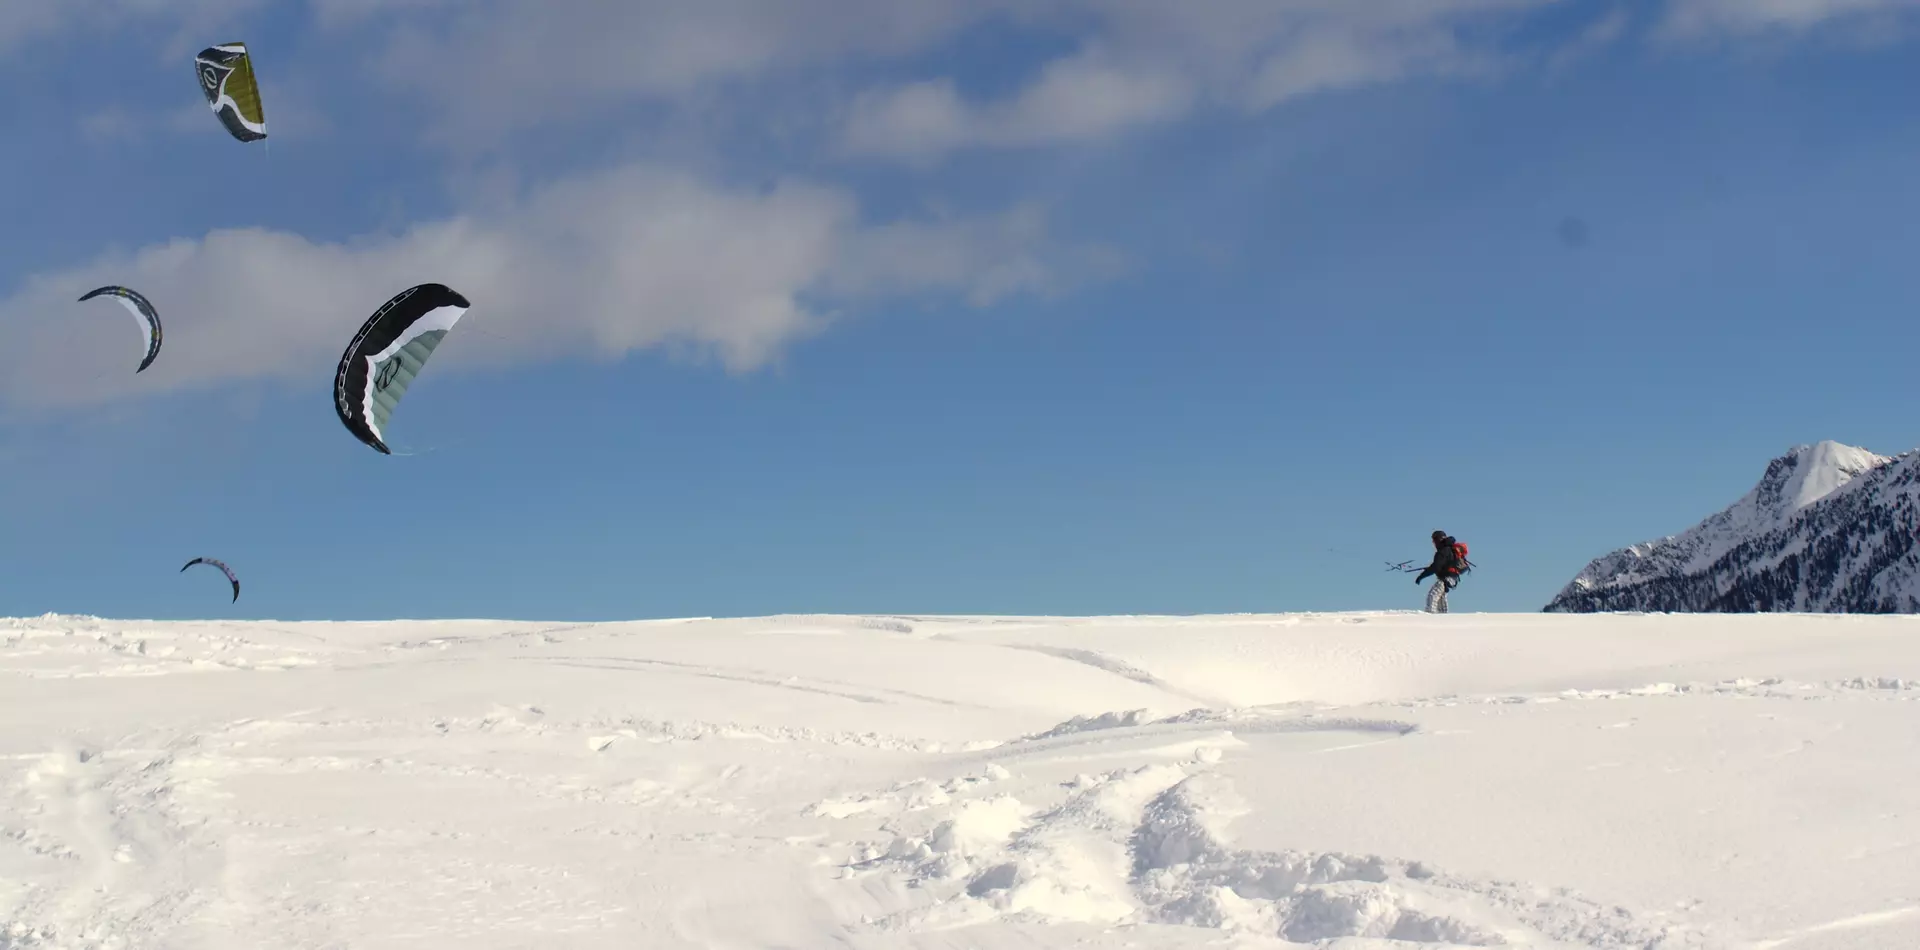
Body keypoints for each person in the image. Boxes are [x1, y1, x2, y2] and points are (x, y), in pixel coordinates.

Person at [1414, 529, 1463, 613]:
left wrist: (1421, 576)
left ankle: (1430, 617)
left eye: (1434, 541)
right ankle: (1443, 619)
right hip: (1452, 578)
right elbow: (1438, 565)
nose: (1433, 543)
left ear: (1438, 540)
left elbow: (1436, 567)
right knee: (1441, 599)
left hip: (1446, 578)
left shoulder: (1443, 551)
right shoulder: (1449, 549)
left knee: (1432, 596)